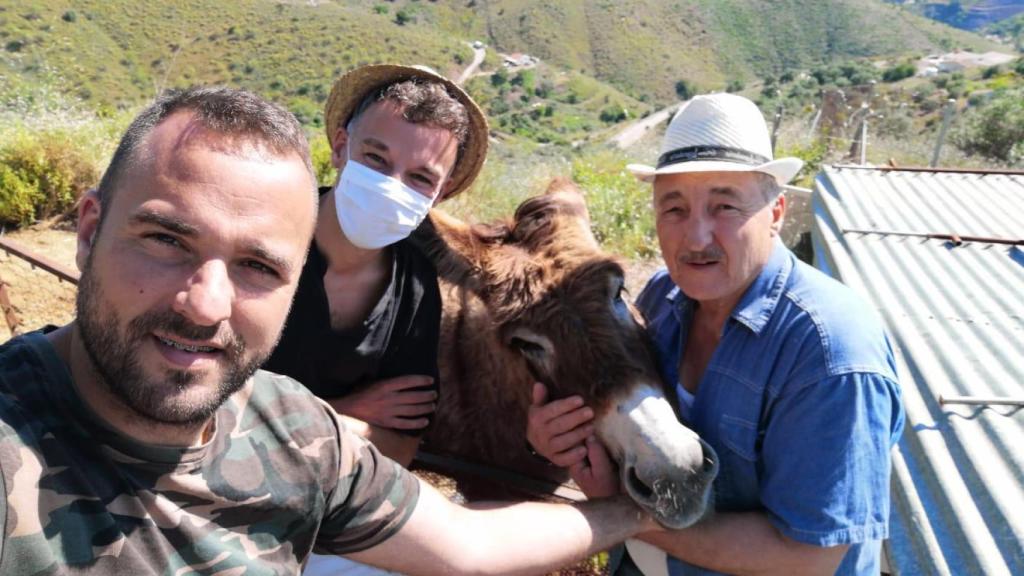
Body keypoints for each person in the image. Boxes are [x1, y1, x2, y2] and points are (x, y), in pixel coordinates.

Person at [0, 86, 659, 575]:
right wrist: (346, 413)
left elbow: (466, 545)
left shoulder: (297, 430)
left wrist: (642, 509)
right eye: (167, 240)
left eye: (258, 267)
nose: (207, 304)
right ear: (88, 231)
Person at [526, 93, 905, 575]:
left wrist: (628, 516)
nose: (696, 237)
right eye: (675, 209)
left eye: (725, 205)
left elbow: (808, 559)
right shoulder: (664, 298)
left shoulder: (830, 354)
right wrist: (554, 440)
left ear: (777, 212)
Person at [262, 64, 489, 467]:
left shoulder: (416, 288)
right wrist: (345, 409)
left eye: (420, 177)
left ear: (441, 193)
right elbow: (200, 396)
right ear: (339, 147)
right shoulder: (259, 239)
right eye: (375, 158)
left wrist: (293, 414)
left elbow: (399, 447)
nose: (391, 185)